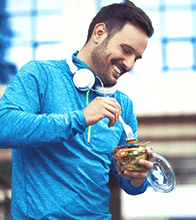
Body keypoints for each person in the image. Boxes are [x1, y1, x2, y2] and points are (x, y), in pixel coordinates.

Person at [0, 0, 154, 219]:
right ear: (99, 33)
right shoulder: (40, 75)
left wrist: (137, 178)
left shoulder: (124, 105)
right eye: (126, 50)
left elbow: (129, 183)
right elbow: (3, 126)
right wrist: (80, 118)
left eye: (136, 58)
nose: (129, 64)